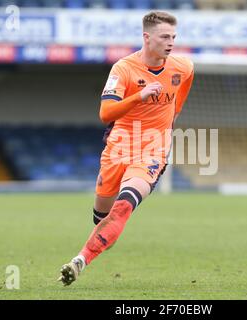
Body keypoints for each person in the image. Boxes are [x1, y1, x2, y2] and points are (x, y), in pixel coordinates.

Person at [58, 11, 194, 286]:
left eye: (173, 37)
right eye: (165, 37)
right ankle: (102, 237)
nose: (171, 43)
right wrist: (139, 96)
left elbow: (180, 96)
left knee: (124, 206)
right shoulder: (123, 69)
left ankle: (79, 260)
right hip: (119, 147)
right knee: (102, 217)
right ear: (147, 37)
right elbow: (106, 112)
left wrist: (169, 122)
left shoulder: (184, 67)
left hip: (153, 150)